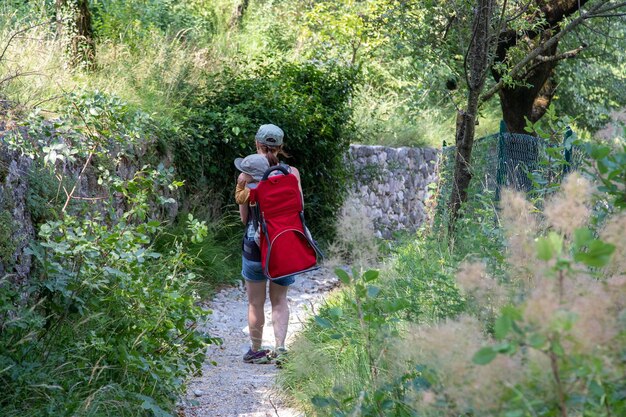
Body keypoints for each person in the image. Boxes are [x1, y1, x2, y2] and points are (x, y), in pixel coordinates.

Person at [234, 124, 302, 365]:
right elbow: (299, 208)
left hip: (254, 245)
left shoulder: (247, 173)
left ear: (256, 144)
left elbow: (244, 219)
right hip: (283, 244)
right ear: (280, 147)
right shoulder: (291, 173)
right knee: (280, 300)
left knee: (255, 302)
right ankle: (281, 348)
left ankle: (255, 350)